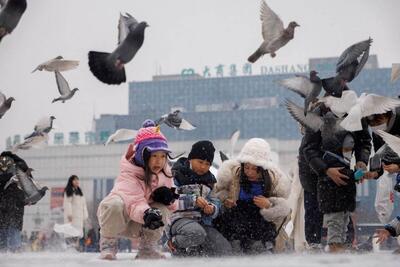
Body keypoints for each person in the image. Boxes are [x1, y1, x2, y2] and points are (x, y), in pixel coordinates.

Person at [97, 120, 177, 260]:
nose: (159, 161)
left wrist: (169, 199)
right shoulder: (128, 172)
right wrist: (147, 213)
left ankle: (148, 247)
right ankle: (108, 243)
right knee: (113, 204)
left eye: (163, 156)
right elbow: (133, 202)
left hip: (141, 223)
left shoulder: (165, 173)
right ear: (142, 155)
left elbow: (173, 207)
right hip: (121, 220)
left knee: (162, 210)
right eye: (154, 156)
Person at [303, 97, 372, 253]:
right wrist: (325, 170)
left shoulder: (355, 113)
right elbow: (309, 149)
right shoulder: (317, 115)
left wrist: (361, 161)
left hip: (343, 169)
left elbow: (364, 142)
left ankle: (345, 243)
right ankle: (319, 244)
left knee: (344, 208)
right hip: (314, 169)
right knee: (321, 207)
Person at [213, 138, 291, 254]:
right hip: (236, 220)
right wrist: (226, 200)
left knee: (262, 232)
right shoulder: (233, 174)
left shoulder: (274, 181)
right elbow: (217, 194)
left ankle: (262, 247)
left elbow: (285, 212)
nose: (250, 172)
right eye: (247, 167)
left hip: (260, 223)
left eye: (255, 169)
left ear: (263, 169)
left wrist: (269, 205)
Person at [165, 140, 232, 256]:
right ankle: (174, 243)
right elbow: (168, 199)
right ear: (190, 159)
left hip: (202, 223)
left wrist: (212, 208)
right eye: (200, 162)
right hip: (179, 220)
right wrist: (192, 200)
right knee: (196, 234)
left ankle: (196, 250)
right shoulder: (174, 175)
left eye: (207, 164)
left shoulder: (210, 181)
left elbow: (215, 200)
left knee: (224, 249)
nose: (203, 167)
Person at [0, 151, 30, 252]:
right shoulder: (21, 166)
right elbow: (29, 185)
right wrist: (29, 199)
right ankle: (14, 252)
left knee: (5, 233)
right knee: (14, 231)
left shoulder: (18, 168)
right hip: (15, 205)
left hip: (6, 205)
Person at [63, 174, 88, 248]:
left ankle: (76, 248)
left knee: (77, 233)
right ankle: (70, 248)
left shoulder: (80, 192)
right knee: (71, 232)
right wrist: (69, 214)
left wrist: (85, 216)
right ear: (71, 181)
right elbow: (67, 203)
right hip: (72, 216)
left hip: (79, 217)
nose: (76, 181)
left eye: (77, 180)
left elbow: (84, 205)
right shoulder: (68, 191)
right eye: (74, 180)